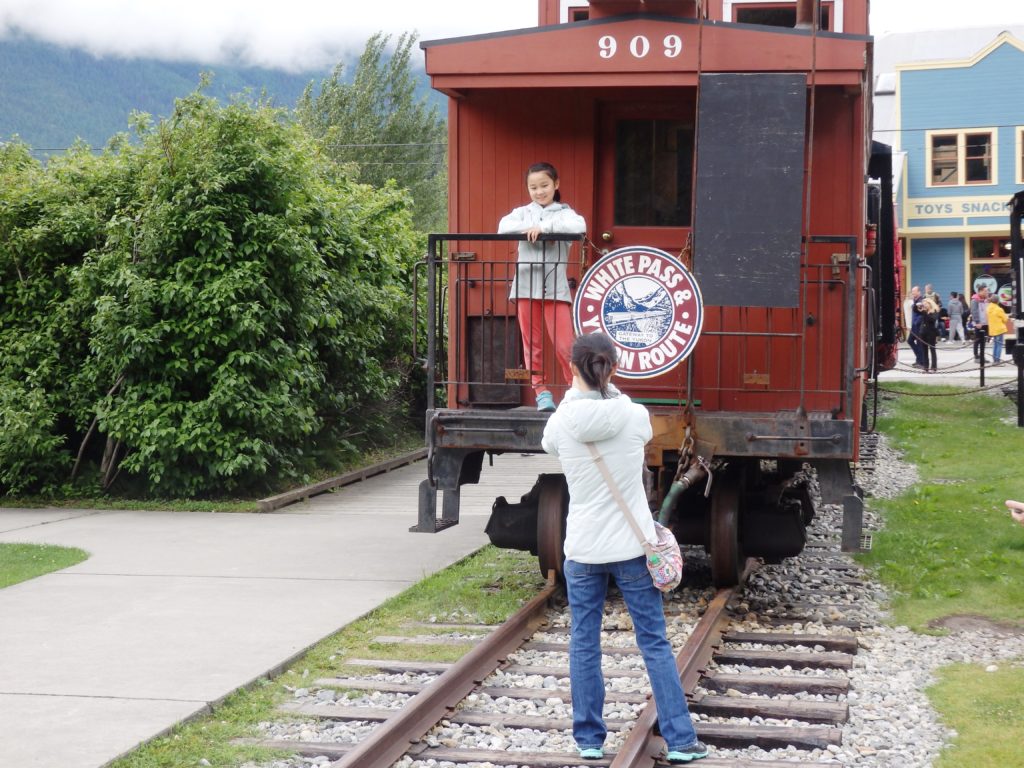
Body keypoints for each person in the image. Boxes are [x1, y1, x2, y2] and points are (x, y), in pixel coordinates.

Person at [541, 332, 709, 764]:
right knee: (653, 641)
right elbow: (629, 423)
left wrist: (573, 393)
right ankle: (682, 740)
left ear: (573, 369)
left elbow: (550, 441)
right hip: (633, 547)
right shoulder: (635, 415)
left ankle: (589, 738)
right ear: (612, 368)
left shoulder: (561, 422)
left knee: (584, 640)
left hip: (582, 550)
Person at [499, 162, 587, 412]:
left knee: (564, 344)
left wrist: (545, 228)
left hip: (554, 288)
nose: (539, 192)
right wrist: (529, 228)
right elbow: (503, 227)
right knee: (532, 343)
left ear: (556, 184)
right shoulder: (522, 212)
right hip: (525, 285)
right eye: (533, 187)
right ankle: (541, 391)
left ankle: (576, 389)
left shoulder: (565, 213)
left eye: (544, 186)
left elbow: (579, 226)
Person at [907, 285, 928, 369]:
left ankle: (921, 362)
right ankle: (919, 359)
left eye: (914, 291)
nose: (913, 293)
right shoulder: (914, 300)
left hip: (918, 325)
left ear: (919, 292)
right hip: (914, 325)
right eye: (912, 291)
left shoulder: (921, 301)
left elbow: (922, 314)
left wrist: (916, 322)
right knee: (910, 341)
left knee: (919, 344)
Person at [917, 297, 939, 372]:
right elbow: (915, 310)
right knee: (924, 350)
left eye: (925, 303)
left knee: (932, 349)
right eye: (923, 304)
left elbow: (931, 320)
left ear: (930, 304)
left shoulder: (934, 311)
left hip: (931, 333)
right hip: (923, 332)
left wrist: (924, 312)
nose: (924, 305)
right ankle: (925, 367)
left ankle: (934, 367)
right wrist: (917, 306)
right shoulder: (924, 311)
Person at [986, 294, 1009, 364]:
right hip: (999, 329)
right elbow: (1005, 319)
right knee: (999, 345)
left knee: (995, 345)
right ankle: (997, 361)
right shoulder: (999, 309)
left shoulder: (988, 308)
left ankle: (995, 359)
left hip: (993, 329)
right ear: (998, 301)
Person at [970, 286, 990, 362]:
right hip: (979, 324)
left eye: (987, 291)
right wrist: (977, 322)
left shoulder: (985, 300)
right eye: (985, 291)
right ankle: (976, 356)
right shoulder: (975, 300)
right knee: (977, 340)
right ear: (980, 291)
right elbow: (974, 311)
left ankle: (982, 356)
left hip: (985, 323)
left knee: (983, 341)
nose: (987, 293)